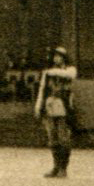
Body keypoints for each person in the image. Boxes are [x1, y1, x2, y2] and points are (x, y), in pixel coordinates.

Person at [34, 46, 77, 178]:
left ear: (64, 58)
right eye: (55, 56)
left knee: (63, 138)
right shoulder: (48, 73)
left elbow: (70, 75)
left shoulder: (69, 69)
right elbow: (42, 89)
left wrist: (51, 71)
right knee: (53, 139)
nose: (56, 58)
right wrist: (38, 105)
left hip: (63, 106)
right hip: (50, 105)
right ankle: (56, 166)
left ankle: (63, 168)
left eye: (59, 56)